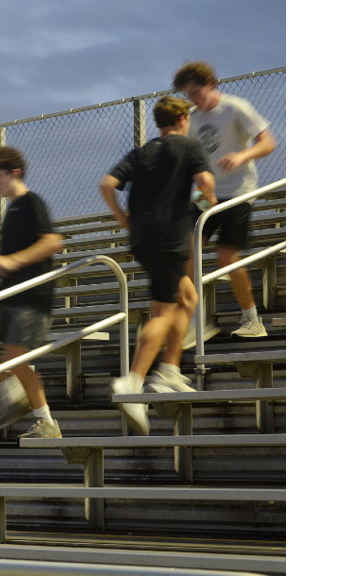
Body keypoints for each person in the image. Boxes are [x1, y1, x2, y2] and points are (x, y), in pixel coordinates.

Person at [100, 96, 217, 435]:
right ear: (182, 118)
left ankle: (169, 368)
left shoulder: (143, 151)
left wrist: (123, 218)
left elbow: (107, 184)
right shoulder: (190, 145)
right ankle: (133, 380)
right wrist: (208, 201)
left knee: (189, 298)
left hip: (142, 237)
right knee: (163, 311)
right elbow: (207, 183)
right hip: (170, 237)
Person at [0, 147, 65, 439]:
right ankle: (10, 388)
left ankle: (46, 421)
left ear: (14, 173)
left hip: (32, 297)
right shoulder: (12, 211)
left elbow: (53, 243)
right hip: (8, 294)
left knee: (15, 355)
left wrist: (10, 262)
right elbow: (10, 261)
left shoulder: (32, 203)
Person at [174, 61, 277, 343]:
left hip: (238, 190)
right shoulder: (191, 118)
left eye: (196, 92)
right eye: (188, 95)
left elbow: (268, 142)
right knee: (187, 251)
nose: (192, 99)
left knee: (226, 256)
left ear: (211, 84)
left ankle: (252, 319)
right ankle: (196, 320)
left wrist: (242, 156)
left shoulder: (235, 107)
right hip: (207, 195)